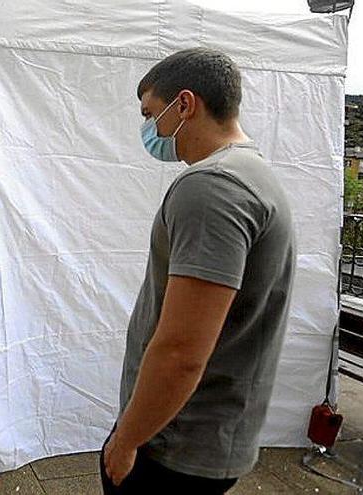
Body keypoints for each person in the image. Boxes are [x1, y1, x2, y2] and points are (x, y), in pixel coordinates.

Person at [101, 48, 294, 495]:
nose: (149, 128)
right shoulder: (251, 172)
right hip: (204, 436)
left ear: (185, 104)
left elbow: (181, 351)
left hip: (172, 444)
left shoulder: (212, 187)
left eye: (150, 113)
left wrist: (126, 440)